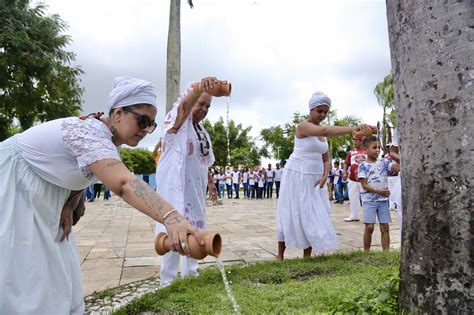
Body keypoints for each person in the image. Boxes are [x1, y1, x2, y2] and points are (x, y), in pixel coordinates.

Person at [0, 76, 204, 314]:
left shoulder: (104, 139)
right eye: (142, 121)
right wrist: (172, 218)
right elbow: (125, 183)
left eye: (151, 124)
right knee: (23, 274)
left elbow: (81, 169)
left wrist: (69, 204)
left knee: (55, 270)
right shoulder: (89, 133)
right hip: (10, 187)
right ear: (118, 113)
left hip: (40, 196)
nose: (146, 130)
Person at [275, 91, 371, 260]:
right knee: (292, 211)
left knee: (313, 213)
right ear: (311, 109)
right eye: (319, 111)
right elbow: (326, 130)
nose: (323, 115)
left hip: (316, 176)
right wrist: (353, 129)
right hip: (297, 173)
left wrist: (325, 175)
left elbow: (326, 158)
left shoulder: (322, 136)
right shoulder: (303, 126)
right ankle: (280, 255)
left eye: (326, 112)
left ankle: (307, 255)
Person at [154, 77, 225, 287]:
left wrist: (211, 184)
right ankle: (167, 280)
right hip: (175, 193)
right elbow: (183, 107)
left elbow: (204, 162)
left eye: (207, 106)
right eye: (199, 104)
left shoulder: (202, 132)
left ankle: (191, 275)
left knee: (196, 230)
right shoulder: (175, 124)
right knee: (173, 233)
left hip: (195, 192)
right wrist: (199, 88)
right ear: (189, 101)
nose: (203, 109)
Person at [357, 135, 400, 251]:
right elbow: (364, 184)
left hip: (383, 201)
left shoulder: (384, 162)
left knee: (385, 227)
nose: (377, 150)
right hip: (369, 201)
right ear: (365, 149)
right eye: (374, 147)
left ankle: (386, 252)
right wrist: (379, 191)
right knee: (369, 227)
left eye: (379, 147)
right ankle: (366, 251)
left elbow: (396, 168)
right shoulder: (362, 166)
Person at [342, 135, 367, 222]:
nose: (354, 142)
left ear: (361, 141)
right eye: (354, 141)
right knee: (353, 197)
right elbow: (346, 163)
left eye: (356, 141)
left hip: (364, 179)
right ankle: (354, 215)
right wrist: (344, 172)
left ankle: (368, 216)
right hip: (352, 178)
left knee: (365, 197)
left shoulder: (367, 150)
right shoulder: (351, 152)